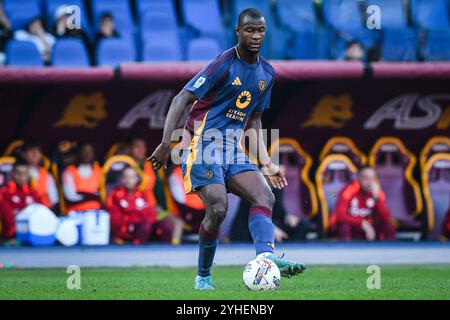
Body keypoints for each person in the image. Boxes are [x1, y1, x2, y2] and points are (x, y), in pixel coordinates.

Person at [149, 8, 306, 290]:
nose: (256, 36)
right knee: (218, 208)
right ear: (238, 31)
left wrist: (266, 162)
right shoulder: (223, 64)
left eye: (260, 31)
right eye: (249, 30)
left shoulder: (267, 73)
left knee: (264, 196)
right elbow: (181, 98)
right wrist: (165, 143)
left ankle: (267, 259)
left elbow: (255, 119)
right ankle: (203, 276)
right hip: (201, 146)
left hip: (232, 150)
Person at [127, 135, 184, 244]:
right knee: (145, 228)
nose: (140, 150)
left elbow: (159, 191)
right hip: (134, 209)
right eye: (137, 147)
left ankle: (173, 254)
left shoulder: (151, 166)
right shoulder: (124, 165)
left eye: (143, 147)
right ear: (130, 149)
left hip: (153, 209)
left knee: (177, 224)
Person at [107, 167, 173, 245]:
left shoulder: (141, 195)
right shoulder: (115, 195)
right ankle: (138, 252)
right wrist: (136, 219)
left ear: (137, 179)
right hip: (126, 230)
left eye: (132, 177)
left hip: (144, 228)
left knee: (165, 225)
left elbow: (151, 215)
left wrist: (143, 220)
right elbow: (115, 218)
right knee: (145, 226)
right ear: (121, 179)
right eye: (126, 177)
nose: (128, 180)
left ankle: (165, 252)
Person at [330, 166, 396, 241]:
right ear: (358, 178)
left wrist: (377, 198)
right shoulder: (348, 190)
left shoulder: (378, 192)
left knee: (389, 227)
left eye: (372, 179)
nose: (369, 182)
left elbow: (386, 217)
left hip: (371, 228)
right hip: (353, 226)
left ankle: (387, 250)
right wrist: (361, 223)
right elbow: (340, 215)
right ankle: (346, 250)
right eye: (366, 178)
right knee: (344, 226)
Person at [0, 160, 42, 243]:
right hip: (10, 239)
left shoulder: (34, 193)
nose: (22, 177)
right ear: (12, 174)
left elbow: (41, 214)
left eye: (25, 173)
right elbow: (8, 219)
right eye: (18, 173)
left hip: (33, 238)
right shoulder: (4, 193)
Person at [62, 143, 101, 213]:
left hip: (95, 212)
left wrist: (83, 194)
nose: (87, 154)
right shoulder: (69, 171)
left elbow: (102, 194)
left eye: (90, 151)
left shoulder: (99, 171)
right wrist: (92, 196)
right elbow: (70, 196)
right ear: (79, 153)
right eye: (84, 151)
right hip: (75, 212)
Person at [21, 142, 59, 210]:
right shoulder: (17, 173)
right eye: (31, 151)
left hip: (44, 211)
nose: (35, 154)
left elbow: (54, 200)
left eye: (38, 151)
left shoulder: (47, 175)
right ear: (23, 154)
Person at [0, 1, 12, 65]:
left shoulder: (6, 19)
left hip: (3, 51)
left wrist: (6, 23)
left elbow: (12, 36)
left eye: (1, 6)